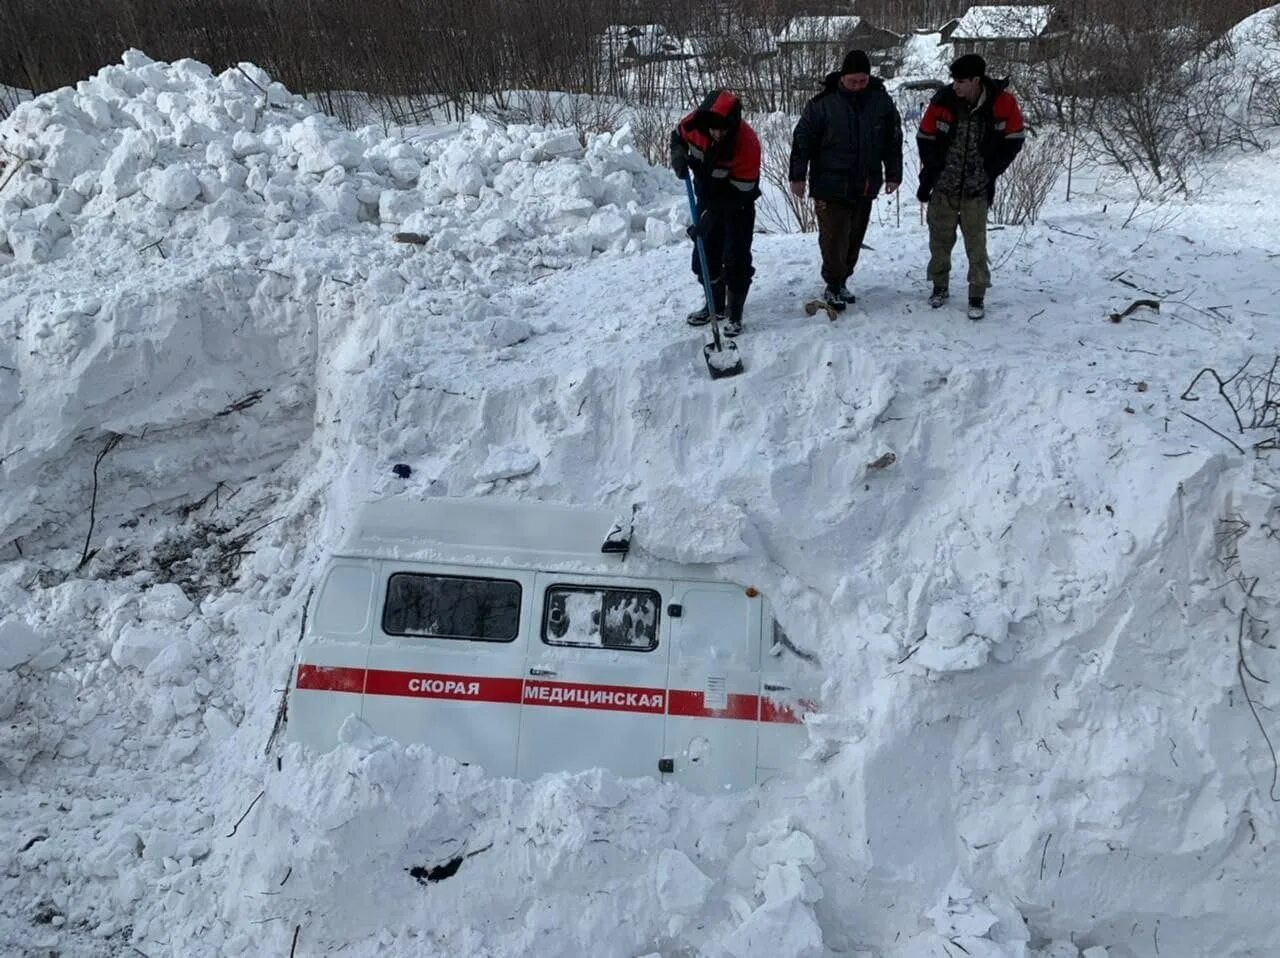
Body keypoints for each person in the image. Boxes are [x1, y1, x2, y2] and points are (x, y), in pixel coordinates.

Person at [788, 49, 902, 311]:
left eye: (863, 81)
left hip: (865, 183)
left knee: (853, 237)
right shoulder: (822, 103)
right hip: (829, 184)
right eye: (853, 81)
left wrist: (894, 173)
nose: (858, 86)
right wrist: (797, 175)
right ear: (842, 77)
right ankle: (833, 283)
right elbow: (802, 139)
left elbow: (893, 139)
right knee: (833, 238)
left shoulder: (880, 101)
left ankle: (842, 281)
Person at [915, 53, 1026, 320]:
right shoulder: (942, 101)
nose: (956, 85)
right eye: (954, 80)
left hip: (976, 189)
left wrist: (990, 172)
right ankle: (939, 286)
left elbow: (1015, 139)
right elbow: (924, 137)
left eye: (961, 81)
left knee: (977, 244)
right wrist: (932, 174)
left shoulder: (1003, 103)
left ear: (977, 80)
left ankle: (977, 293)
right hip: (944, 187)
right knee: (939, 241)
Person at [670, 89, 761, 337]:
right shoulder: (693, 126)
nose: (718, 134)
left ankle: (734, 314)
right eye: (714, 129)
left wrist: (709, 219)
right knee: (703, 257)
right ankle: (715, 307)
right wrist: (678, 155)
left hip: (738, 203)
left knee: (736, 258)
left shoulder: (747, 143)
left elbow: (741, 191)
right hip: (707, 197)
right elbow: (676, 138)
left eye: (724, 130)